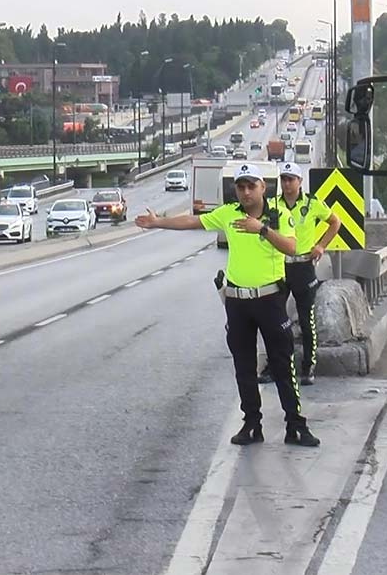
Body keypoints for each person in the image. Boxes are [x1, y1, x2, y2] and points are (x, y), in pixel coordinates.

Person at [135, 162, 320, 447]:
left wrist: (262, 229)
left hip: (270, 300)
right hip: (237, 302)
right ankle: (251, 424)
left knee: (283, 365)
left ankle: (295, 425)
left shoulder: (278, 214)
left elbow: (291, 247)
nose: (246, 192)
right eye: (240, 187)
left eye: (251, 186)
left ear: (262, 187)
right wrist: (158, 222)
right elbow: (194, 222)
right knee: (244, 366)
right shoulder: (229, 213)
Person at [257, 162, 341, 386]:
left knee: (306, 318)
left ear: (299, 181)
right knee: (274, 319)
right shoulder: (273, 204)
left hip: (303, 266)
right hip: (280, 266)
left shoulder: (311, 203)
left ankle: (308, 366)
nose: (286, 184)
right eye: (283, 179)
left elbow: (335, 222)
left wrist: (321, 245)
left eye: (290, 179)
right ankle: (275, 366)